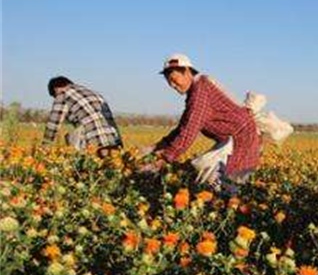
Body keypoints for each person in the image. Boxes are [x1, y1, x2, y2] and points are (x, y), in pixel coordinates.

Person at [140, 53, 262, 192]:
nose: (172, 85)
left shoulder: (200, 93)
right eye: (169, 82)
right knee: (213, 181)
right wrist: (155, 147)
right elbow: (182, 127)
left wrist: (163, 160)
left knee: (226, 187)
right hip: (232, 141)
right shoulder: (197, 90)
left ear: (186, 72)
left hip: (243, 140)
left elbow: (188, 132)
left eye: (174, 80)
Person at [43, 76, 123, 158]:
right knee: (110, 166)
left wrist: (44, 147)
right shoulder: (95, 93)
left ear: (56, 89)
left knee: (85, 167)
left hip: (91, 141)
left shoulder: (63, 95)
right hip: (113, 139)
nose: (55, 98)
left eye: (54, 95)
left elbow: (53, 125)